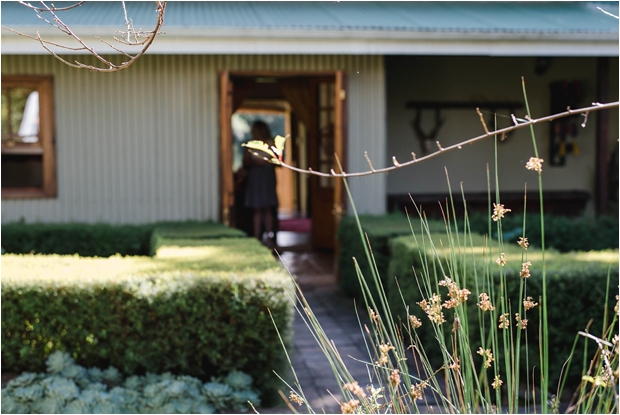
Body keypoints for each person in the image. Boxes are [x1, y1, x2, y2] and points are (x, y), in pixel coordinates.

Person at [243, 121, 278, 247]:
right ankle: (257, 237)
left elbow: (278, 160)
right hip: (255, 177)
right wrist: (254, 163)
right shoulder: (250, 144)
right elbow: (246, 161)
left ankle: (269, 237)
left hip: (267, 176)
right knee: (256, 208)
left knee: (268, 208)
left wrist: (266, 163)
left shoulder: (271, 143)